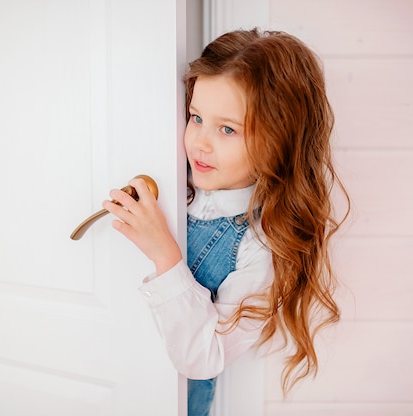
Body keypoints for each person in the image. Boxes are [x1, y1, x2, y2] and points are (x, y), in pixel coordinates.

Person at [103, 28, 349, 416]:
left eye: (227, 129)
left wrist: (165, 255)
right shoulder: (174, 181)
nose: (200, 142)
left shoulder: (260, 246)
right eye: (196, 117)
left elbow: (203, 358)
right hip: (109, 382)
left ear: (279, 140)